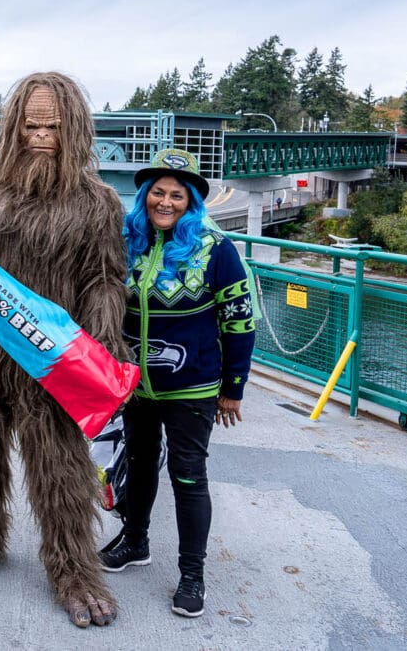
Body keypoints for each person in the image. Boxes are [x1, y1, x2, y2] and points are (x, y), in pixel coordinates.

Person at [0, 71, 130, 628]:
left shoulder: (97, 202)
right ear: (13, 128)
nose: (40, 137)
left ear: (74, 131)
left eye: (52, 128)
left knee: (60, 465)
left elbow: (105, 279)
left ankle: (73, 568)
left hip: (49, 359)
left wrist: (102, 345)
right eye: (31, 126)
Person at [99, 147, 255, 619]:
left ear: (191, 203)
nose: (165, 202)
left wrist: (233, 388)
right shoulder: (128, 241)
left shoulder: (216, 248)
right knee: (139, 464)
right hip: (135, 385)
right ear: (145, 196)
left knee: (188, 477)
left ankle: (192, 574)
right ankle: (135, 540)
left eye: (177, 196)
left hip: (193, 388)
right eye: (158, 193)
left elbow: (239, 321)